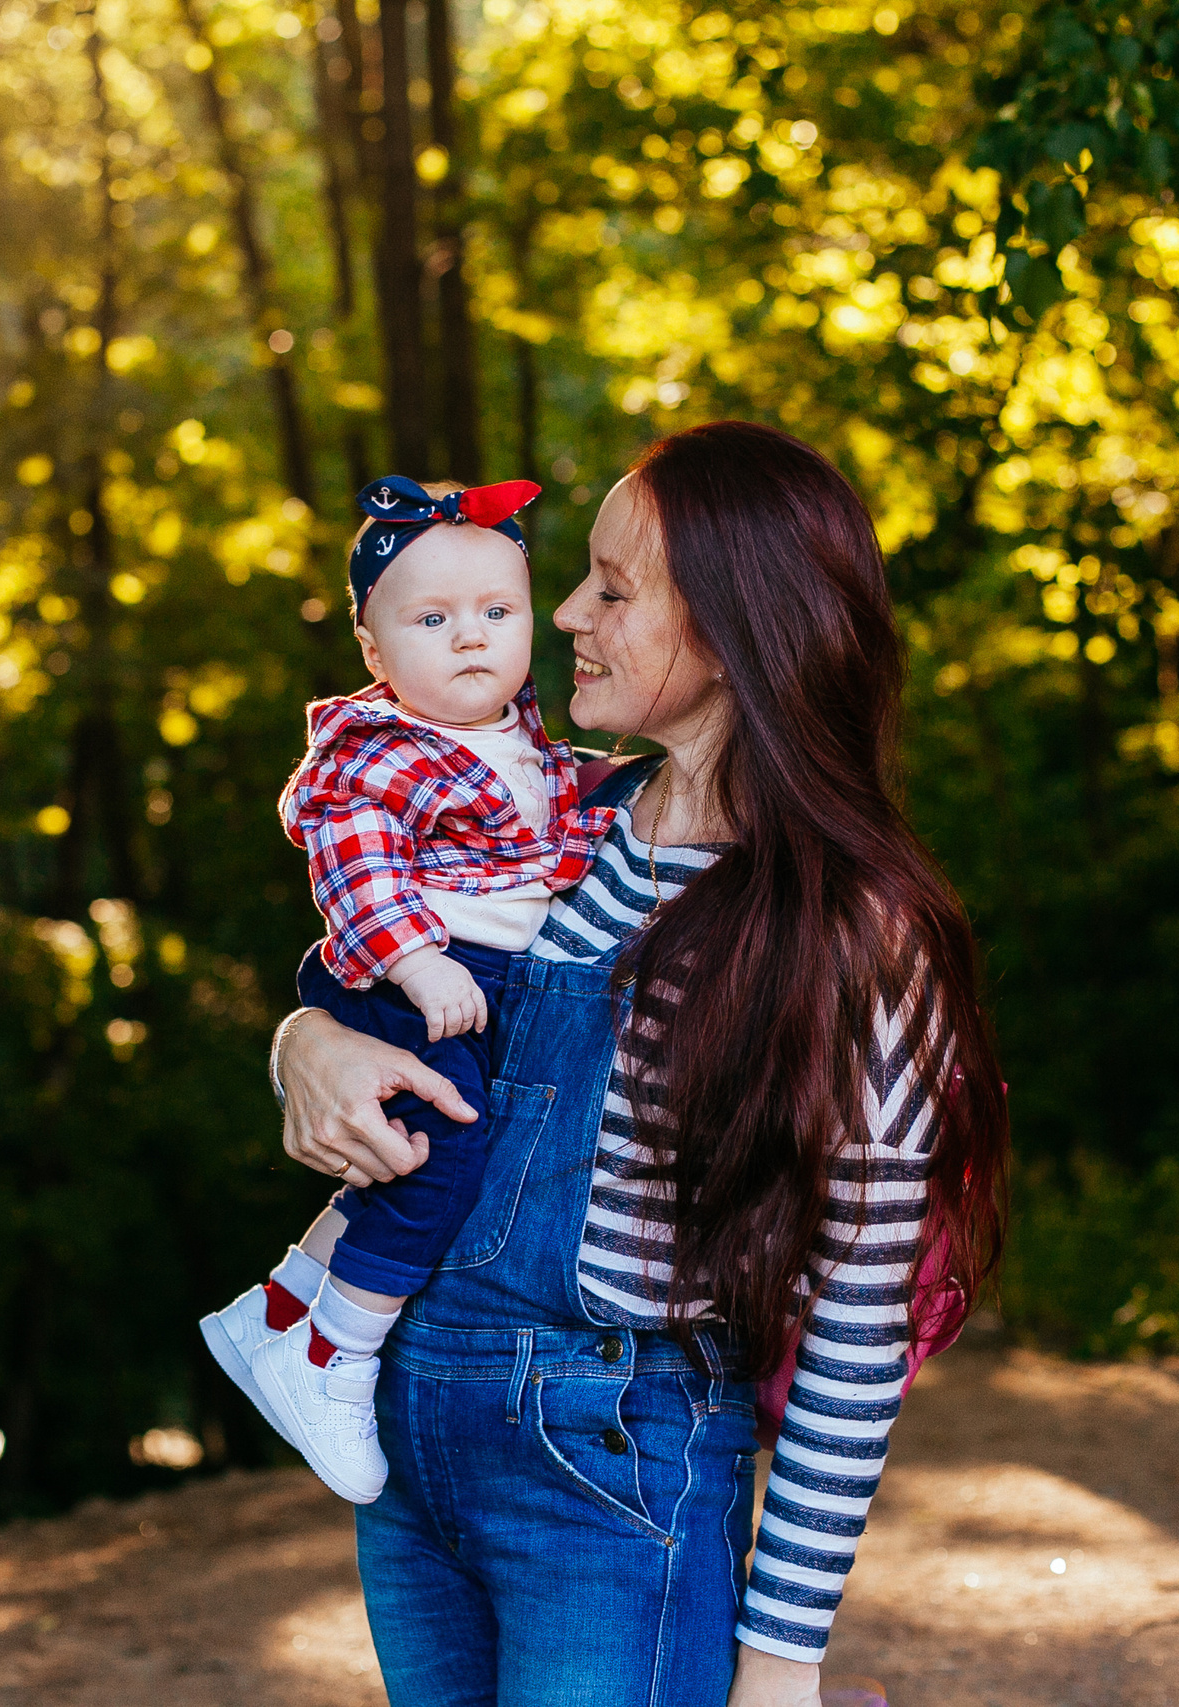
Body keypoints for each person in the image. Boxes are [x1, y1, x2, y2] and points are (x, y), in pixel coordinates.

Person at [269, 422, 1010, 1707]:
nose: (560, 613)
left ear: (733, 629)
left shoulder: (849, 931)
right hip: (412, 1446)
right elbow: (388, 985)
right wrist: (306, 1043)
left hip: (609, 1470)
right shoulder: (559, 824)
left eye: (612, 588)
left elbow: (854, 1323)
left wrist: (782, 1668)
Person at [201, 475, 614, 1504]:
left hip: (468, 974)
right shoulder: (377, 749)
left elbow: (555, 845)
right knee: (444, 1141)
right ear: (376, 653)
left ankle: (287, 1298)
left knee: (406, 1150)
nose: (470, 638)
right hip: (412, 972)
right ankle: (331, 1353)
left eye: (495, 613)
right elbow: (353, 865)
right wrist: (414, 959)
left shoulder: (523, 742)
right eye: (431, 620)